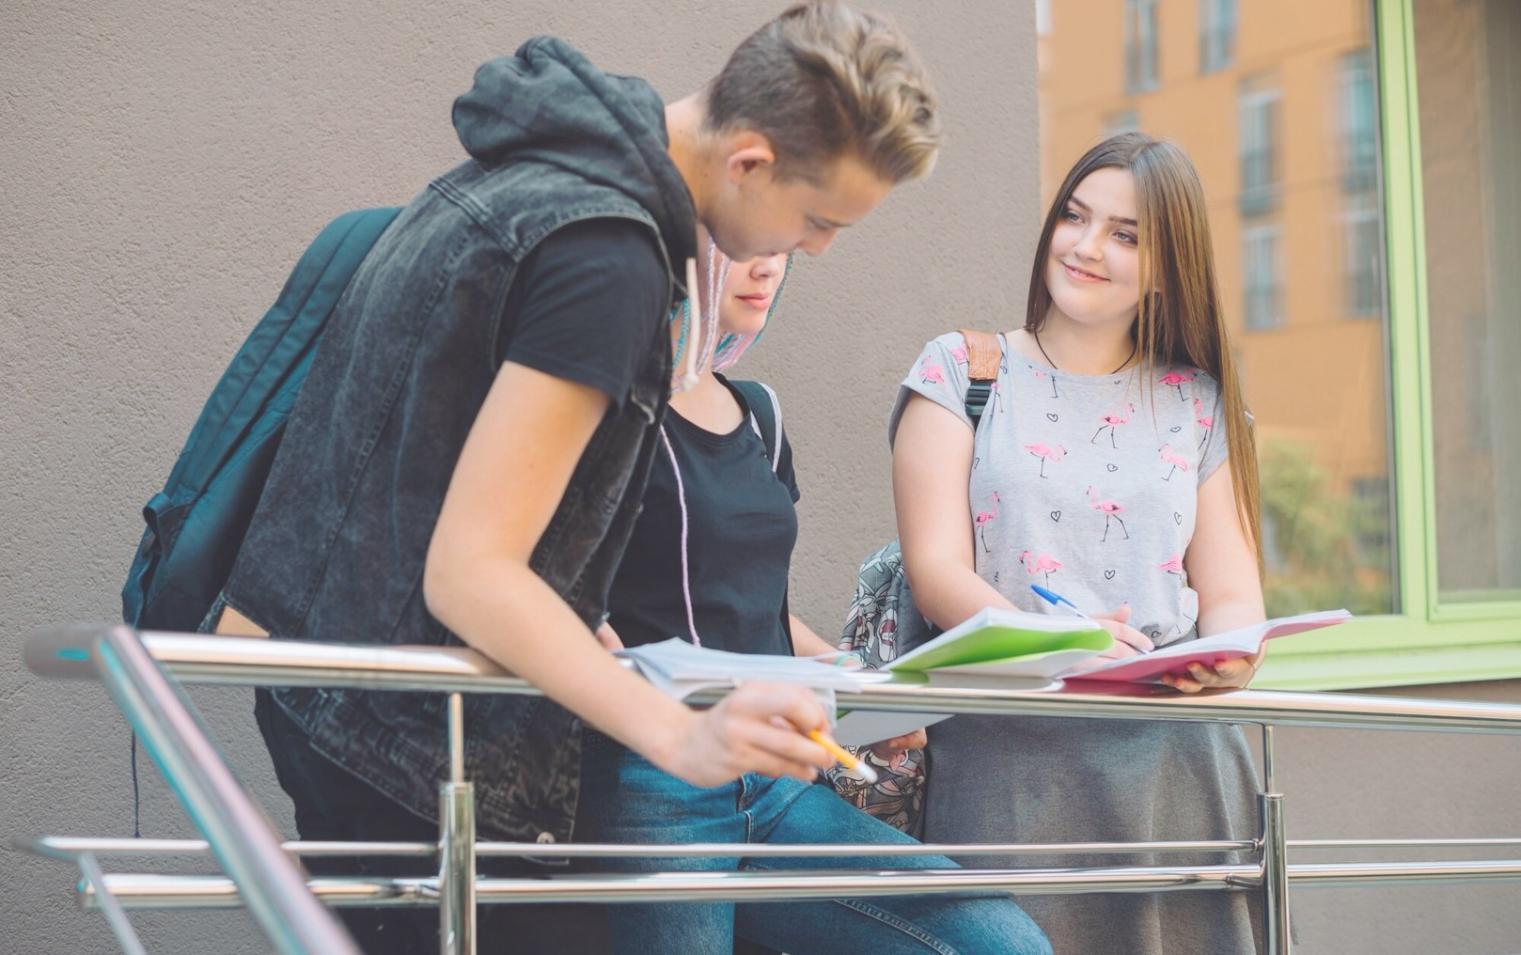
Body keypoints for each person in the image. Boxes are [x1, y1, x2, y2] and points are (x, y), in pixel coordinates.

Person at [211, 4, 942, 951]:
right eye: (816, 219)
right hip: (406, 733)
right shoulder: (608, 256)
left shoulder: (541, 173)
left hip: (359, 703)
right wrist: (678, 734)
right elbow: (471, 571)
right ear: (750, 161)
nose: (816, 248)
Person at [580, 241, 1050, 954]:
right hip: (659, 777)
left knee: (1001, 943)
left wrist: (860, 691)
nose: (767, 266)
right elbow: (563, 598)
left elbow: (758, 610)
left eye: (781, 249)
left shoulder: (758, 413)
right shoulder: (599, 407)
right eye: (742, 247)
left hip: (777, 780)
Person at [891, 132, 1266, 954]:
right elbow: (936, 571)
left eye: (1124, 234)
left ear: (1167, 267)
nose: (1086, 246)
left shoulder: (1199, 402)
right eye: (1074, 216)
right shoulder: (961, 370)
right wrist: (1061, 641)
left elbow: (1232, 590)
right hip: (1008, 763)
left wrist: (1234, 656)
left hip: (1177, 770)